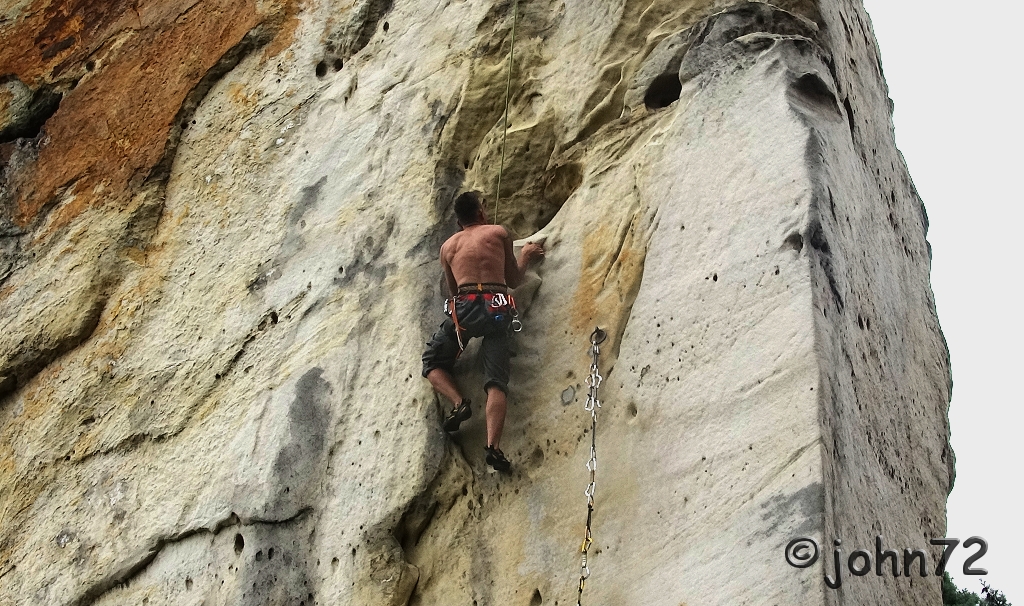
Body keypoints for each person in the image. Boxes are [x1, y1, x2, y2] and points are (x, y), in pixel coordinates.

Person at [422, 191, 545, 472]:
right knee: (495, 382)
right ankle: (493, 447)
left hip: (465, 309)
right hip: (496, 306)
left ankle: (459, 402)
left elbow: (453, 292)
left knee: (432, 362)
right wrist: (526, 255)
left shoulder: (448, 247)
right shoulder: (498, 233)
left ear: (458, 221)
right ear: (480, 212)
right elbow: (514, 279)